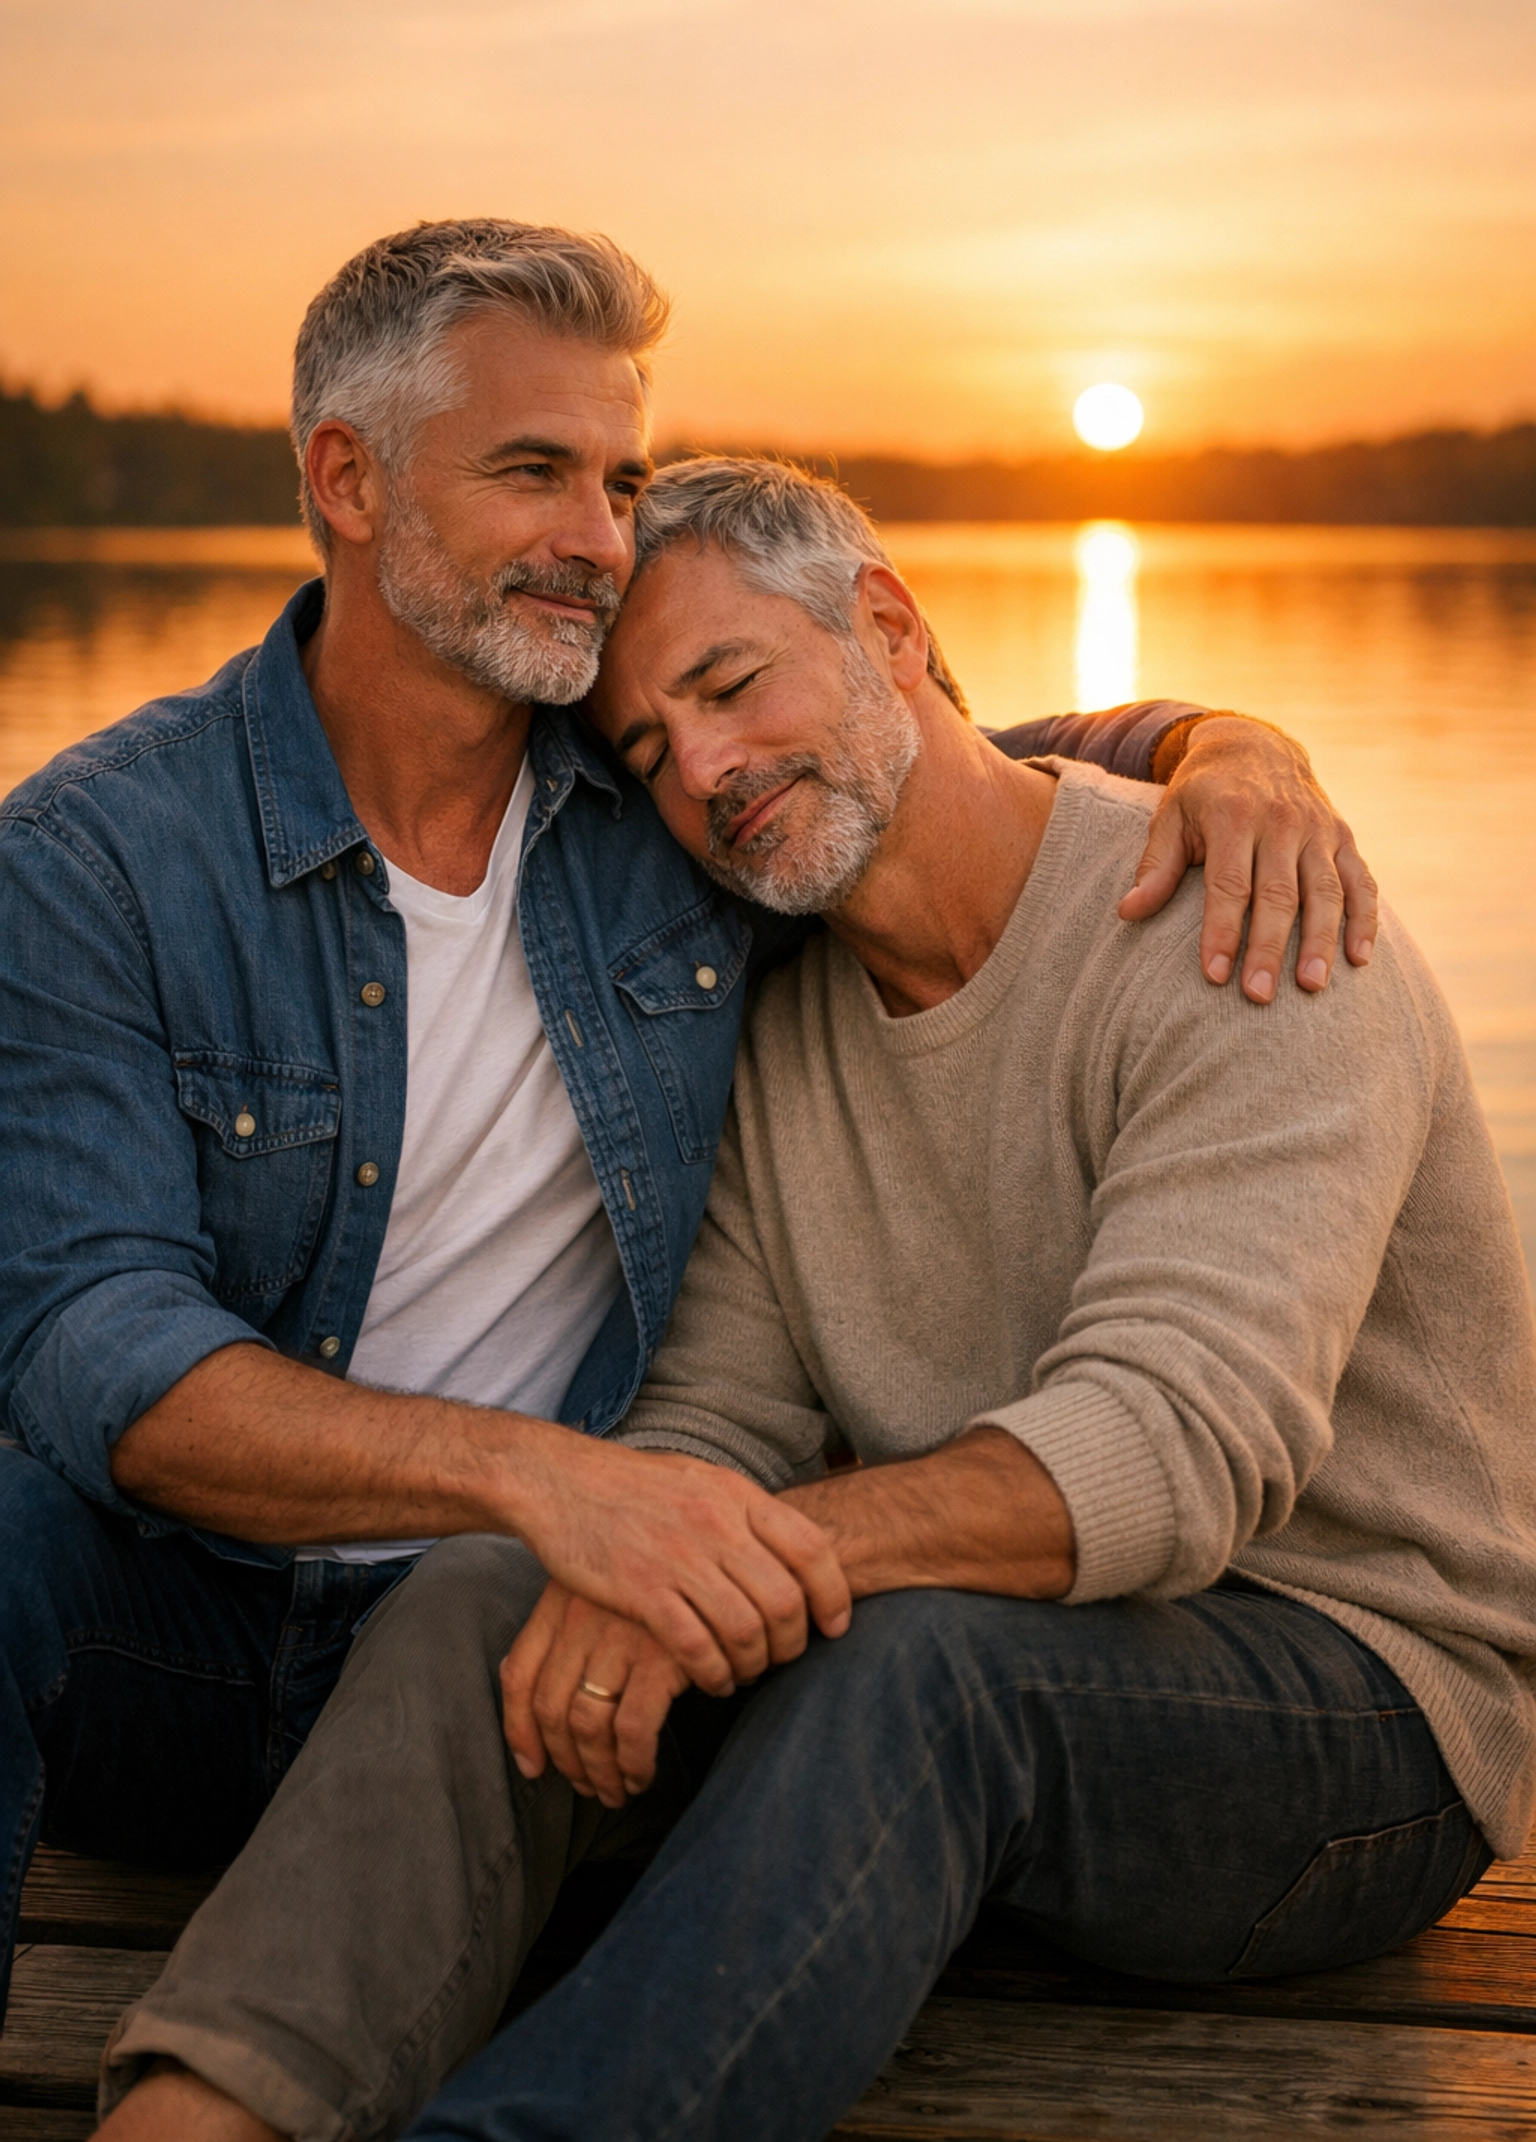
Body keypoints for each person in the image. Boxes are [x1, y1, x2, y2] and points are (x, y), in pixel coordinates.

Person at [95, 460, 1533, 2142]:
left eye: (729, 685)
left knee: (924, 1661)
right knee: (500, 1581)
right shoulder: (777, 1020)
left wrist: (730, 1558)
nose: (704, 773)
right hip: (975, 1635)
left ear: (892, 626)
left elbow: (1177, 1449)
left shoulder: (1244, 915)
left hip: (1360, 1711)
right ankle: (209, 2109)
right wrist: (628, 1537)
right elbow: (721, 1407)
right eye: (648, 751)